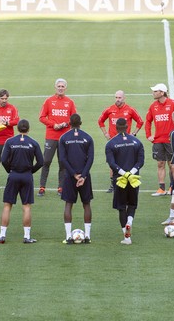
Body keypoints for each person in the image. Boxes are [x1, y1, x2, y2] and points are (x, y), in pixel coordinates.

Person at [0, 119, 44, 244]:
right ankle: (26, 237)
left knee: (7, 206)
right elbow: (41, 162)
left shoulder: (10, 142)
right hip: (27, 176)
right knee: (26, 207)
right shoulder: (33, 143)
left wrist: (9, 170)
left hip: (13, 175)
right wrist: (31, 171)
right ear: (28, 129)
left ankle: (2, 236)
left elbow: (4, 160)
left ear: (17, 129)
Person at [105, 118, 145, 245]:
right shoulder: (137, 142)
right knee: (132, 205)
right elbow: (141, 161)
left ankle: (127, 237)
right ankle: (130, 222)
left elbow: (112, 163)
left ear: (116, 128)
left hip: (120, 180)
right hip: (134, 180)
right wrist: (131, 173)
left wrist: (123, 173)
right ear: (127, 127)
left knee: (121, 207)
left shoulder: (110, 144)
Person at [98, 90, 144, 193]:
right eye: (116, 97)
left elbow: (140, 121)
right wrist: (105, 133)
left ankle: (128, 181)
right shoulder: (109, 109)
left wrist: (134, 134)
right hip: (113, 142)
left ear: (124, 98)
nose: (117, 100)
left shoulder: (130, 110)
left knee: (127, 161)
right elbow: (100, 121)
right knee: (112, 163)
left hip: (126, 142)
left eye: (119, 98)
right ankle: (113, 184)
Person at [59, 114, 94, 244]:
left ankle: (68, 237)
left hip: (69, 176)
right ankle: (87, 237)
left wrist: (74, 174)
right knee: (86, 204)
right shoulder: (88, 137)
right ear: (81, 123)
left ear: (69, 123)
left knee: (68, 204)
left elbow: (63, 159)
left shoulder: (64, 138)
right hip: (84, 177)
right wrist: (83, 175)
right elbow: (90, 159)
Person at [38, 78, 77, 196]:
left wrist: (66, 124)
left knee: (63, 162)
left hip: (64, 137)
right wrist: (53, 125)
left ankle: (61, 187)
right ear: (55, 87)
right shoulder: (49, 101)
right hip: (51, 136)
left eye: (62, 86)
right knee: (46, 161)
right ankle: (42, 187)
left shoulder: (69, 102)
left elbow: (74, 118)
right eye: (58, 86)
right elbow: (42, 117)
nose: (60, 88)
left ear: (65, 88)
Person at [144, 83, 174, 196]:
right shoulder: (153, 106)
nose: (153, 93)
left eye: (155, 91)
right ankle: (161, 188)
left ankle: (172, 187)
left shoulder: (173, 104)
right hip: (158, 140)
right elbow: (148, 121)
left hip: (171, 140)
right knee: (160, 163)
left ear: (162, 92)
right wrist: (148, 135)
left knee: (172, 164)